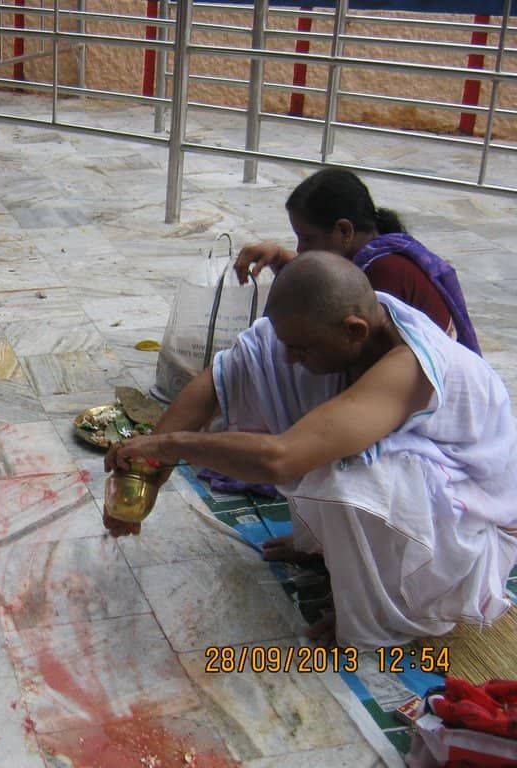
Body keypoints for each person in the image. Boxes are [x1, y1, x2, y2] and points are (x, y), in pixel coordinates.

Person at [104, 251, 517, 650]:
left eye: (302, 349)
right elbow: (217, 383)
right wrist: (149, 469)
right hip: (433, 500)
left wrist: (170, 445)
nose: (289, 358)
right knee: (313, 421)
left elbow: (281, 459)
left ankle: (384, 612)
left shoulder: (409, 367)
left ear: (354, 330)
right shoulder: (326, 326)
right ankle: (327, 547)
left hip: (469, 536)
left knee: (349, 472)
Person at [234, 167, 481, 354]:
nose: (300, 248)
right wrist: (279, 257)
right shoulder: (372, 258)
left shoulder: (385, 272)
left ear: (344, 231)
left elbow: (351, 346)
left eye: (307, 238)